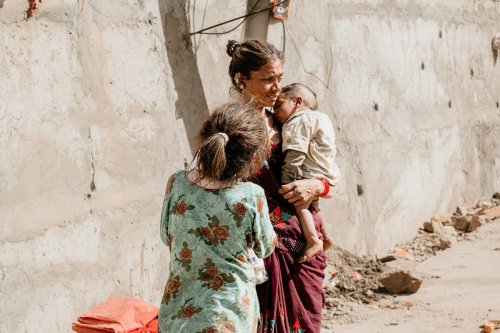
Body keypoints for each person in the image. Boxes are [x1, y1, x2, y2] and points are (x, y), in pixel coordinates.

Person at [226, 39, 333, 332]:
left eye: (280, 79)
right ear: (242, 79)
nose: (276, 88)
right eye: (268, 80)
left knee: (305, 318)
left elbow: (325, 174)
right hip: (257, 245)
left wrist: (317, 187)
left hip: (301, 243)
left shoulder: (290, 122)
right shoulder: (230, 129)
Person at [159, 102, 277, 333]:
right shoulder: (251, 196)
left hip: (180, 308)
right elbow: (266, 247)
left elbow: (166, 236)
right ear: (252, 156)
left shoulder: (177, 183)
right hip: (231, 313)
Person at [274, 83, 340, 263]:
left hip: (307, 173)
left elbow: (296, 151)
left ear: (297, 101)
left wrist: (286, 178)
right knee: (314, 207)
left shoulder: (298, 120)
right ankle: (326, 236)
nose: (276, 112)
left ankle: (312, 240)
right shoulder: (322, 118)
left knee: (300, 205)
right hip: (325, 172)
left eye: (279, 105)